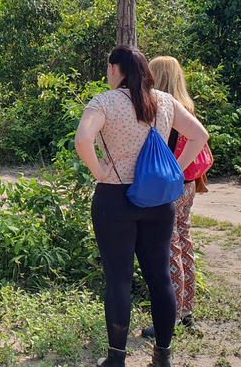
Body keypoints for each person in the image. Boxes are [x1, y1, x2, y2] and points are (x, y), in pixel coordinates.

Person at [75, 45, 209, 367]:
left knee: (119, 279)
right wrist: (175, 168)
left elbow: (82, 140)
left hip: (114, 199)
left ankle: (116, 358)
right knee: (160, 277)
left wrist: (98, 171)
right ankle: (163, 355)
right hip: (158, 200)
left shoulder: (104, 102)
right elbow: (199, 135)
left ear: (114, 69)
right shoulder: (164, 100)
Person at [142, 56, 203, 338]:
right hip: (189, 185)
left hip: (173, 186)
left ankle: (173, 314)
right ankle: (187, 308)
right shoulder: (187, 107)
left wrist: (172, 171)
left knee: (170, 248)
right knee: (185, 242)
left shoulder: (164, 109)